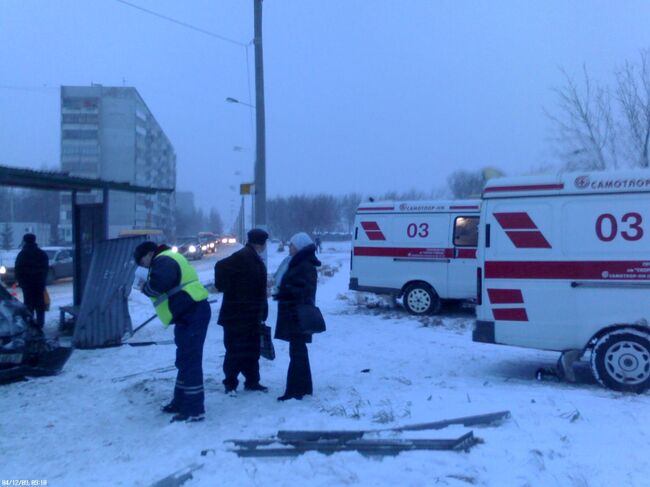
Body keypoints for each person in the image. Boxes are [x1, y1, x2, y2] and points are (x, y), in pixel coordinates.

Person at [134, 241, 211, 423]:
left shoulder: (164, 260)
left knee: (190, 360)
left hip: (192, 313)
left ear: (149, 254)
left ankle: (194, 409)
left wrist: (144, 287)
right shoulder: (167, 258)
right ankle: (180, 401)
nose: (143, 265)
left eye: (142, 261)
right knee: (184, 359)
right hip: (188, 313)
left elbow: (157, 286)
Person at [214, 228, 269, 395]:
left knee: (251, 349)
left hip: (249, 315)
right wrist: (231, 290)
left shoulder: (251, 256)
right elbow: (220, 267)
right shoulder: (243, 256)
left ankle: (252, 381)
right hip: (236, 315)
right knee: (235, 350)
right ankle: (230, 384)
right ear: (261, 243)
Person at [274, 232, 322, 401]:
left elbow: (304, 290)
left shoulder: (303, 265)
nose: (289, 247)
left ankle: (295, 391)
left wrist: (284, 294)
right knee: (298, 352)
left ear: (299, 246)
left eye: (292, 245)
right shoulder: (301, 262)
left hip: (297, 315)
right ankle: (303, 388)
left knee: (297, 353)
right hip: (296, 314)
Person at [14, 233, 49, 329]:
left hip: (27, 285)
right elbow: (45, 269)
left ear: (25, 241)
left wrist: (21, 282)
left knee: (29, 305)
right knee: (39, 305)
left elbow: (18, 270)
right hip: (39, 284)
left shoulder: (22, 254)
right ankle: (40, 324)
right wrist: (42, 279)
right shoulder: (41, 254)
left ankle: (30, 325)